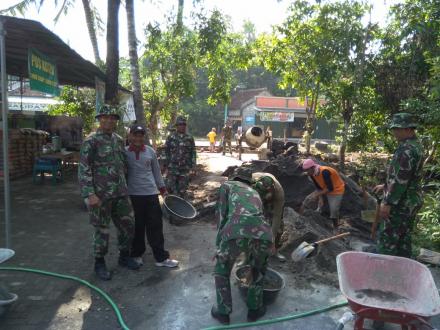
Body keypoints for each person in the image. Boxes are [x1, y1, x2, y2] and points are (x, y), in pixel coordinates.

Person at [79, 105, 139, 281]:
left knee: (128, 225)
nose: (109, 120)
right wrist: (89, 194)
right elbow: (84, 169)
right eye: (105, 117)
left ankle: (124, 256)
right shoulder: (91, 141)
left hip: (120, 192)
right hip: (101, 195)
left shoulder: (119, 139)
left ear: (115, 121)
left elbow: (123, 165)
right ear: (99, 119)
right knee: (102, 230)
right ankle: (99, 263)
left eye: (112, 118)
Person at [211, 170, 273, 325]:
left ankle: (223, 313)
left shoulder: (227, 186)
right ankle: (254, 311)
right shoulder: (255, 191)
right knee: (257, 270)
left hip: (234, 230)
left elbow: (222, 215)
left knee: (222, 271)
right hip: (263, 233)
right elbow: (258, 216)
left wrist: (219, 245)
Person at [125, 125, 179, 268]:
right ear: (130, 136)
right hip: (133, 195)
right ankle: (136, 254)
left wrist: (163, 190)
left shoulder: (150, 152)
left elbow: (156, 172)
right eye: (135, 135)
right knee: (137, 227)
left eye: (141, 135)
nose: (138, 138)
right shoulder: (124, 153)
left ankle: (161, 258)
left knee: (155, 226)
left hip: (151, 194)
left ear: (144, 137)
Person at [372, 113, 423, 258]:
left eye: (397, 129)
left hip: (400, 203)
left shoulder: (406, 150)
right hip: (411, 200)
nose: (394, 132)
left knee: (388, 238)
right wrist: (386, 185)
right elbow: (405, 175)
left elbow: (401, 180)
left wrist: (387, 202)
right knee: (403, 237)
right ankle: (403, 269)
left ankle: (383, 269)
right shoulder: (416, 145)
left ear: (408, 129)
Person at [252, 172, 286, 262]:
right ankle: (253, 251)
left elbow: (277, 218)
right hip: (255, 198)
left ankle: (274, 250)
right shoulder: (250, 186)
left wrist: (273, 239)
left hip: (274, 200)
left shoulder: (279, 193)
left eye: (269, 194)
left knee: (279, 227)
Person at [302, 159, 345, 228]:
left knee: (333, 210)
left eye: (307, 170)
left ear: (312, 167)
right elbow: (318, 187)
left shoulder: (325, 172)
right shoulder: (312, 174)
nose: (306, 172)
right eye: (305, 170)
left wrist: (317, 195)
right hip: (325, 187)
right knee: (308, 199)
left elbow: (330, 188)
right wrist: (320, 199)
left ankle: (336, 227)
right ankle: (307, 215)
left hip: (337, 189)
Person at [164, 116, 197, 198]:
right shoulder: (171, 137)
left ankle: (181, 207)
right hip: (173, 168)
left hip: (185, 168)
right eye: (180, 124)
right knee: (171, 188)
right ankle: (172, 207)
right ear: (177, 126)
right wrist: (165, 166)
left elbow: (193, 152)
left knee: (183, 189)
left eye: (184, 124)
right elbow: (166, 152)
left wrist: (193, 167)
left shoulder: (189, 138)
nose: (182, 126)